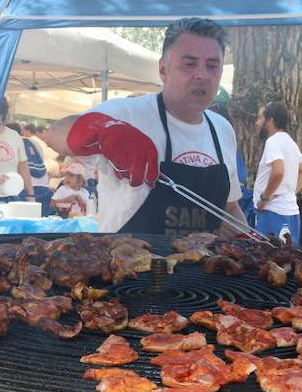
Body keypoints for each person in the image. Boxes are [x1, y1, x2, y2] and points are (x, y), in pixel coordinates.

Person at [47, 17, 244, 236]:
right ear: (163, 69)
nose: (202, 75)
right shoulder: (128, 114)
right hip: (129, 265)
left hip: (200, 268)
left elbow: (229, 209)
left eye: (212, 65)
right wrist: (104, 129)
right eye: (189, 64)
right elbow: (56, 134)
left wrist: (251, 244)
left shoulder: (222, 130)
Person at [253, 101, 302, 239]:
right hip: (291, 212)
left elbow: (278, 171)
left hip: (272, 212)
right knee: (289, 258)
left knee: (266, 258)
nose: (257, 123)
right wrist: (290, 193)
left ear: (270, 120)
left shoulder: (273, 141)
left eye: (260, 118)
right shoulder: (290, 142)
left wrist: (264, 197)